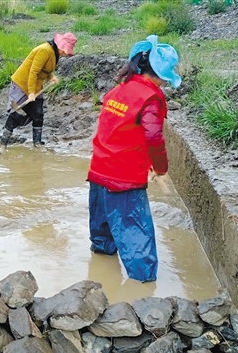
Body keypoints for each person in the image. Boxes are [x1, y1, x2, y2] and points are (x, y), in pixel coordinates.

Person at [86, 35, 181, 283]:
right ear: (161, 74)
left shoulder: (120, 89)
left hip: (99, 170)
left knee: (103, 239)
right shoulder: (151, 97)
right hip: (123, 180)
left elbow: (117, 129)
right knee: (137, 244)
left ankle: (101, 280)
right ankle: (142, 294)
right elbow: (153, 136)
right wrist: (161, 169)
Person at [1, 32, 77, 149]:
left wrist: (51, 77)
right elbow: (33, 72)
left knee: (38, 114)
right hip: (22, 84)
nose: (65, 53)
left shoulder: (54, 53)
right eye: (66, 50)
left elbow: (44, 70)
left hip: (36, 86)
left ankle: (37, 144)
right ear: (61, 46)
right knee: (17, 114)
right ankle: (3, 145)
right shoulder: (45, 50)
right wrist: (31, 93)